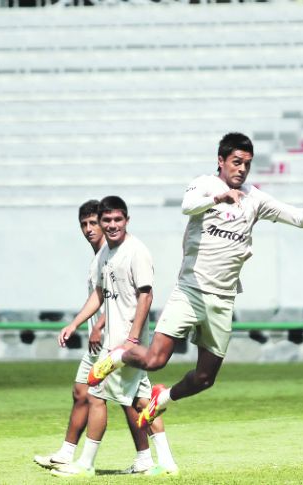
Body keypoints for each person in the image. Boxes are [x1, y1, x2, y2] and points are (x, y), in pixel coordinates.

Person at [84, 132, 303, 430]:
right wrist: (218, 197)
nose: (242, 168)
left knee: (205, 379)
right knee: (156, 360)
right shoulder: (205, 185)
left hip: (222, 299)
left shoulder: (255, 198)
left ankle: (163, 398)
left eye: (247, 163)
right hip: (190, 291)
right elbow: (187, 205)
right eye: (236, 162)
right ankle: (117, 356)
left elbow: (302, 219)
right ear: (221, 161)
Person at [53, 196, 178, 478]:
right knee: (139, 401)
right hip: (114, 342)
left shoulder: (136, 251)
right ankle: (162, 462)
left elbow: (146, 295)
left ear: (127, 220)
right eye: (106, 220)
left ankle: (84, 464)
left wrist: (132, 339)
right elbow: (99, 294)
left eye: (117, 220)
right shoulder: (105, 254)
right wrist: (74, 324)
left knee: (98, 395)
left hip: (126, 345)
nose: (111, 225)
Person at [33, 199, 107, 470]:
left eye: (93, 223)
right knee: (80, 392)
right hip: (96, 342)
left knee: (129, 401)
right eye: (84, 224)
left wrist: (99, 327)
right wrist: (76, 325)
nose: (89, 229)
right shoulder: (97, 257)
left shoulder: (111, 254)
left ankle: (147, 458)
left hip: (113, 339)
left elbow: (122, 297)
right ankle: (65, 453)